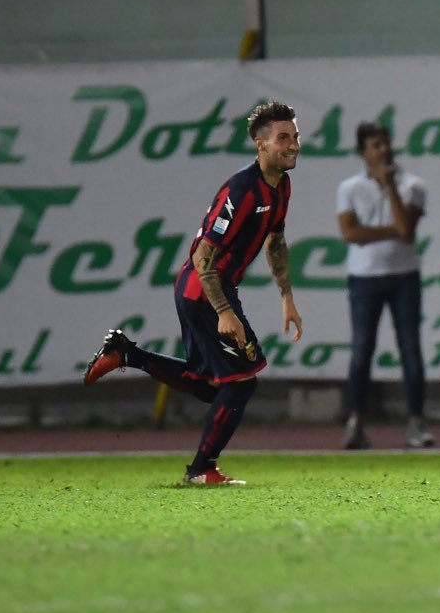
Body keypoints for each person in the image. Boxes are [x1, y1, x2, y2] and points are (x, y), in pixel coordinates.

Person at [82, 101, 304, 485]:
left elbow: (276, 240)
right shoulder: (241, 189)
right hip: (203, 291)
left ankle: (127, 353)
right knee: (242, 382)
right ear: (260, 143)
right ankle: (202, 469)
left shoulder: (281, 186)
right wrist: (224, 311)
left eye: (296, 136)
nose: (294, 144)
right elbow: (204, 257)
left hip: (213, 291)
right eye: (283, 137)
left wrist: (286, 296)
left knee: (211, 388)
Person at [336, 122, 433, 449]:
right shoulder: (349, 188)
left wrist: (390, 188)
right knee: (362, 350)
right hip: (363, 277)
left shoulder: (412, 185)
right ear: (363, 151)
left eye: (386, 143)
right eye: (376, 145)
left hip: (403, 275)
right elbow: (350, 234)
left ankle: (416, 423)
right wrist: (391, 229)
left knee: (410, 348)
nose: (384, 150)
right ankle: (355, 423)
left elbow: (406, 230)